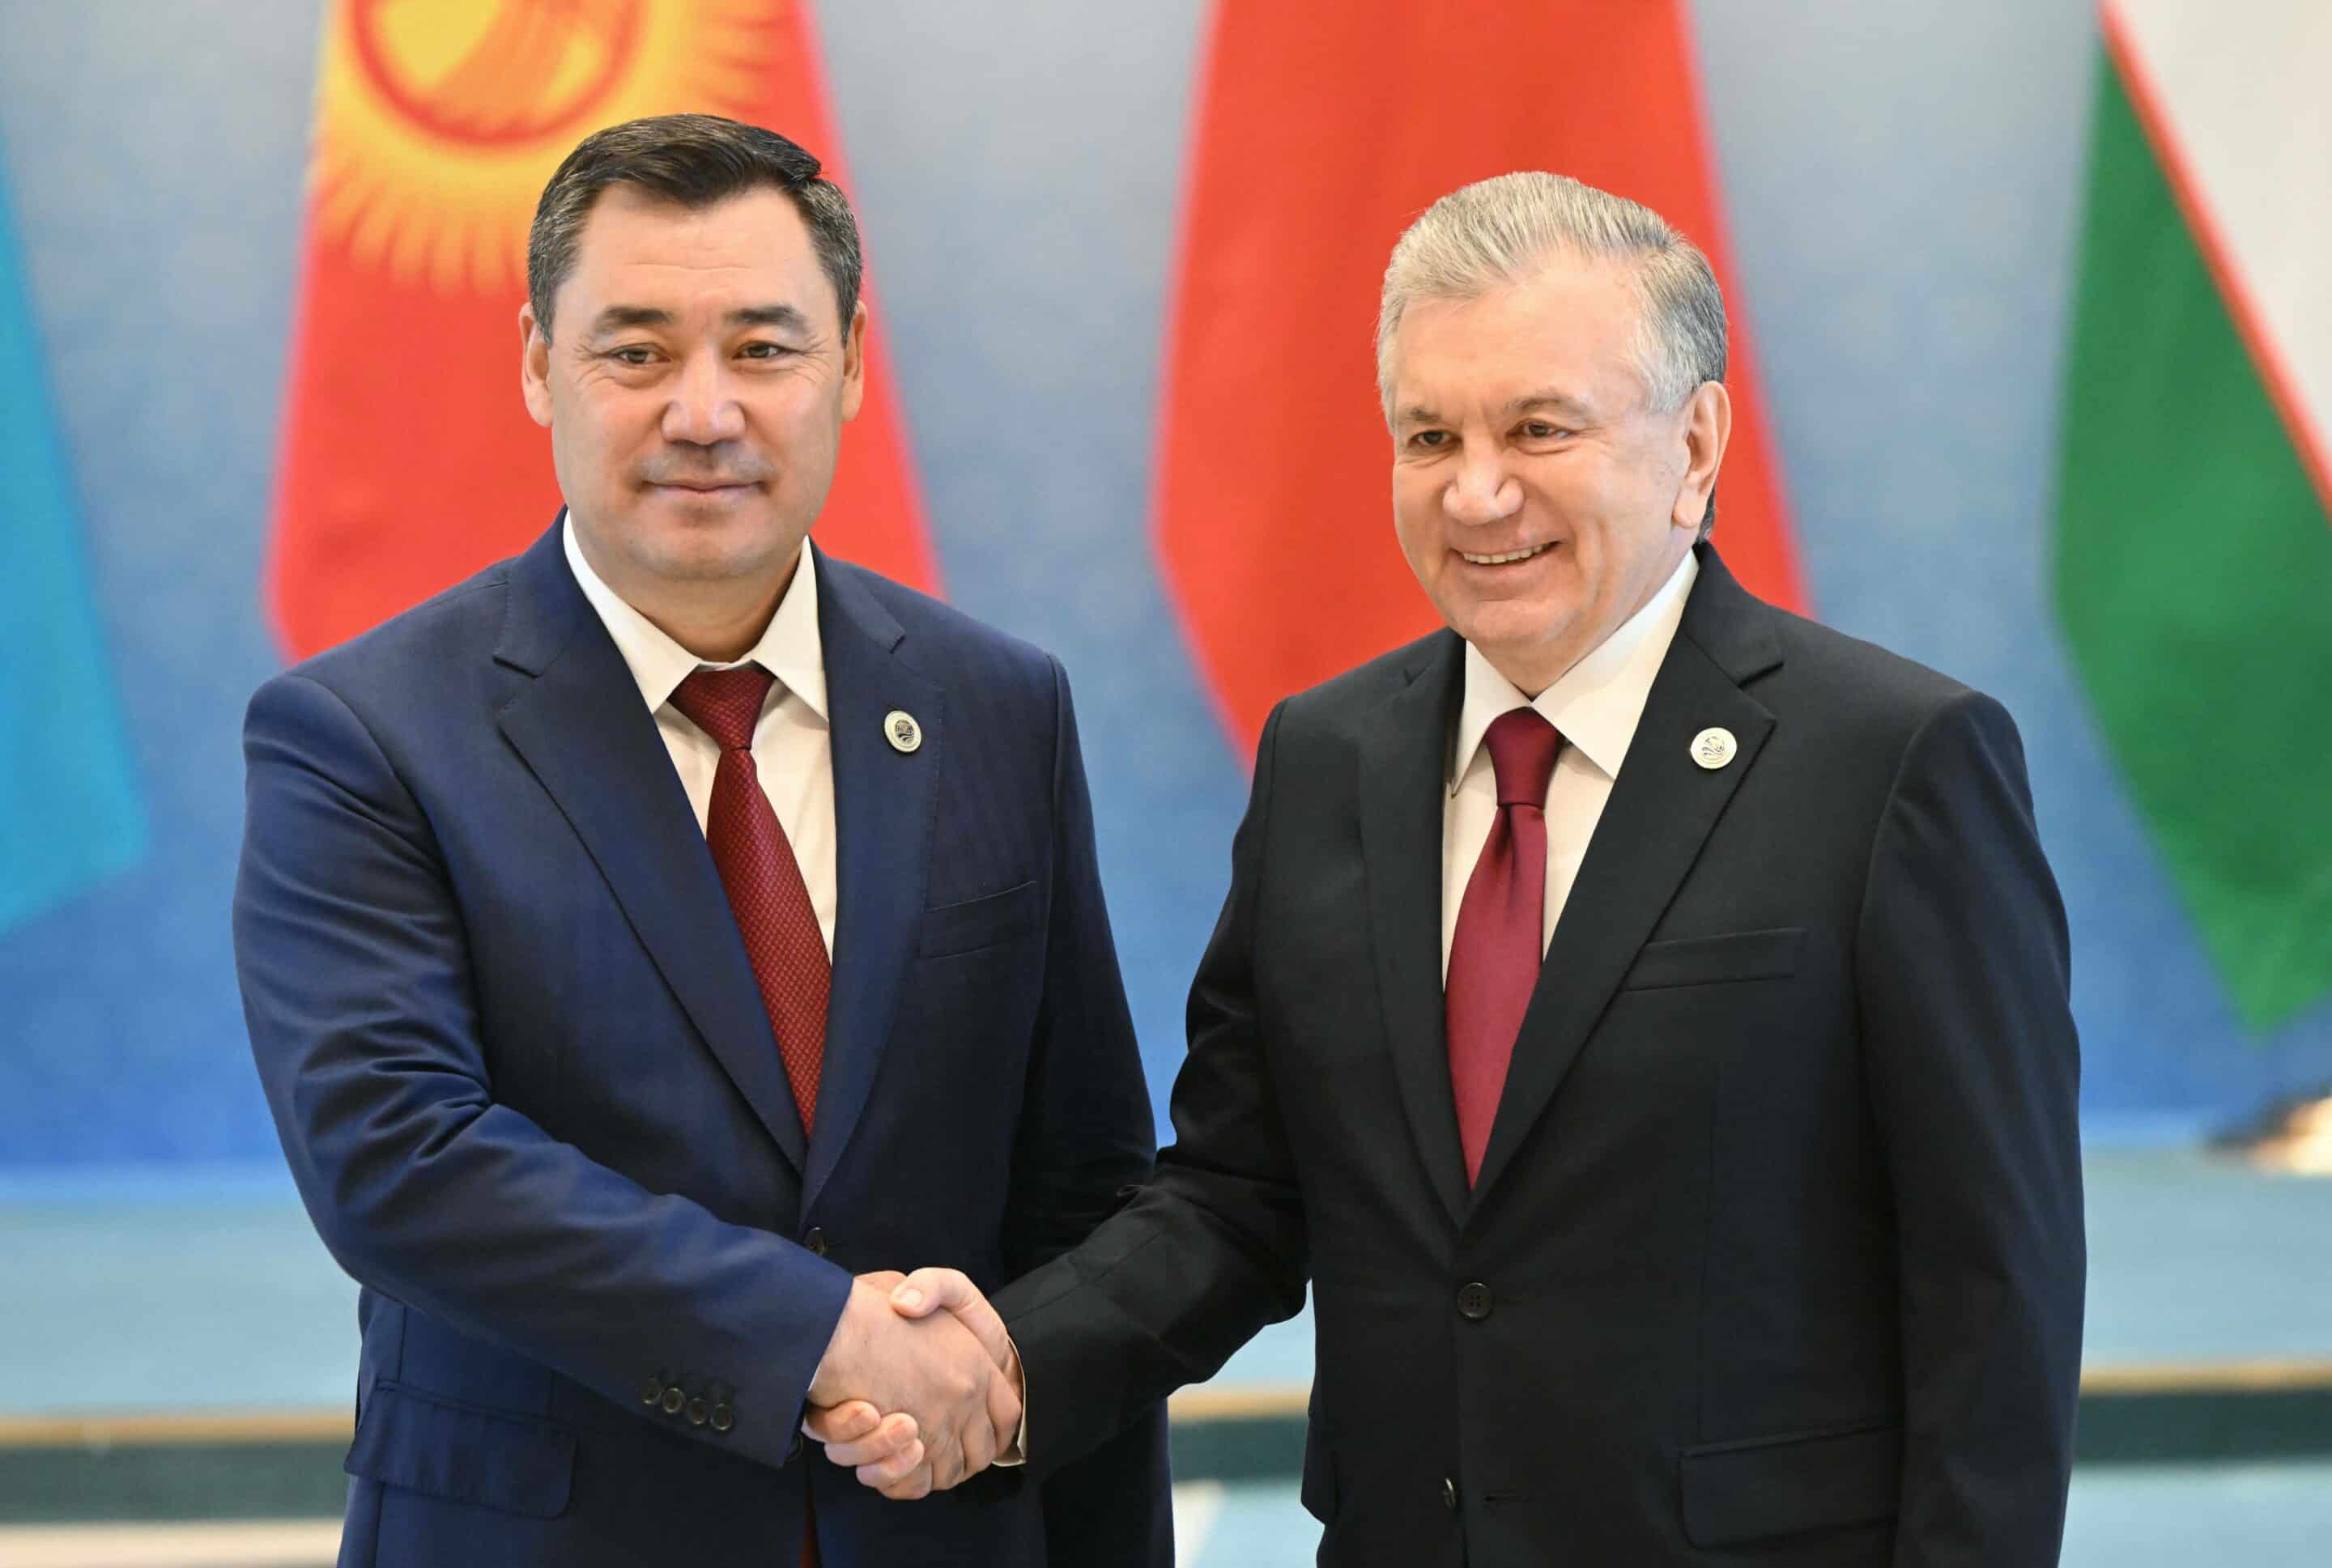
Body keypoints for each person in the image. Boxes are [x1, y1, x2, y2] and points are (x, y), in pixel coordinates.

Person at [821, 172, 2087, 1566]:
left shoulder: (1896, 764)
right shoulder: (1326, 757)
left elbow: (1993, 1290)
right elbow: (1240, 1191)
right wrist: (1007, 1359)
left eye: (1540, 427)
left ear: (1697, 442)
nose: (1478, 491)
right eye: (1430, 434)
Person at [233, 113, 1168, 1567]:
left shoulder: (999, 708)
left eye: (765, 347)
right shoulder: (363, 735)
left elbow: (1081, 1193)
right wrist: (820, 1333)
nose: (705, 409)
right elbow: (398, 1158)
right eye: (636, 350)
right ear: (540, 364)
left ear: (852, 363)